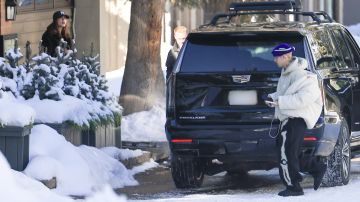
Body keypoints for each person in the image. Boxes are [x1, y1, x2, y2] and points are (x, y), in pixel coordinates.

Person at [267, 43, 325, 197]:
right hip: (288, 118)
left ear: (285, 56)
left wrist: (280, 102)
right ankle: (316, 168)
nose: (274, 60)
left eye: (276, 57)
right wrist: (273, 97)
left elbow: (305, 98)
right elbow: (286, 93)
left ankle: (294, 187)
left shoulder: (302, 75)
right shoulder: (286, 73)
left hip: (296, 118)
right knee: (291, 152)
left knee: (286, 153)